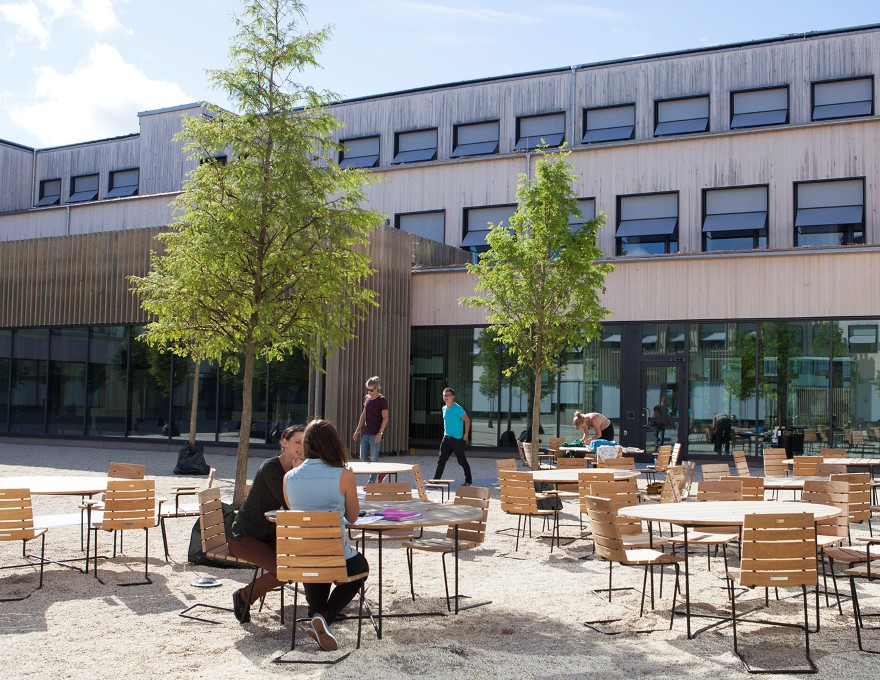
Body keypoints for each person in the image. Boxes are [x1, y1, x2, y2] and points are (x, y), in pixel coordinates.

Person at [284, 419, 369, 652]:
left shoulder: (289, 477)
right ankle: (325, 617)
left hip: (303, 557)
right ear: (334, 444)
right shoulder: (343, 475)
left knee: (316, 564)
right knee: (361, 567)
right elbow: (352, 517)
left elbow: (294, 512)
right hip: (335, 555)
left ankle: (320, 616)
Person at [228, 424, 304, 625]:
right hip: (244, 537)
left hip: (268, 536)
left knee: (304, 559)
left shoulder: (297, 469)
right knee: (283, 572)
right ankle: (244, 596)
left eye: (305, 443)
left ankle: (320, 610)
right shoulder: (271, 468)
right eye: (297, 442)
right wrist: (297, 473)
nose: (302, 447)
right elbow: (291, 503)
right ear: (284, 442)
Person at [352, 375, 389, 484]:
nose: (369, 392)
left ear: (377, 388)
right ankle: (380, 472)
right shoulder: (367, 398)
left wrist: (380, 433)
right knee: (362, 456)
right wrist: (357, 430)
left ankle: (371, 481)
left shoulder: (382, 400)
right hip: (366, 432)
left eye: (371, 390)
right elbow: (363, 415)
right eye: (368, 389)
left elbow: (385, 417)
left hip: (376, 433)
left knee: (374, 457)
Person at [433, 387, 473, 486]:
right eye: (444, 395)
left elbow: (467, 421)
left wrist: (466, 434)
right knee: (441, 460)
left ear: (453, 397)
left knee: (461, 461)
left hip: (457, 440)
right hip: (446, 439)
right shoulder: (444, 408)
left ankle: (468, 481)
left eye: (448, 395)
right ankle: (436, 481)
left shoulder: (458, 409)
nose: (445, 397)